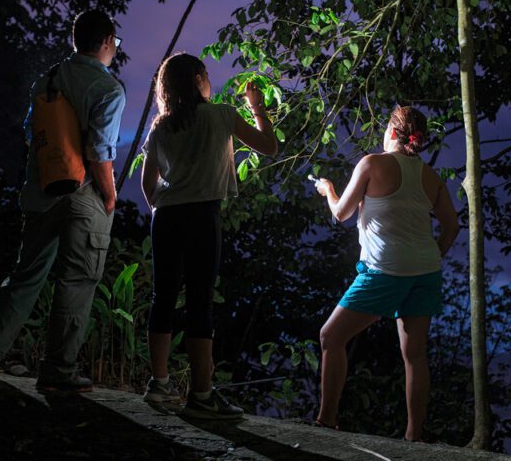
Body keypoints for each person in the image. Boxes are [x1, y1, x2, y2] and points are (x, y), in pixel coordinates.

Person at [0, 10, 126, 393]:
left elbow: (29, 132)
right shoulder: (108, 89)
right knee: (77, 280)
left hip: (42, 191)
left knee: (25, 277)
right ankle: (58, 370)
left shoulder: (47, 78)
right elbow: (100, 152)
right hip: (84, 196)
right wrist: (110, 195)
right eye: (115, 44)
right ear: (105, 42)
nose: (114, 51)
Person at [140, 52, 278, 419]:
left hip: (166, 216)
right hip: (203, 215)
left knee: (163, 296)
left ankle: (159, 382)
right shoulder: (221, 115)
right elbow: (269, 146)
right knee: (200, 301)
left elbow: (146, 181)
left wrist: (161, 208)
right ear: (199, 78)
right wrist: (257, 107)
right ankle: (201, 395)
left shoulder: (161, 126)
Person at [313, 105, 459, 440]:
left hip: (385, 271)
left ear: (391, 133)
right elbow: (451, 227)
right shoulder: (431, 177)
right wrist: (429, 257)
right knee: (415, 355)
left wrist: (328, 190)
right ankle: (413, 435)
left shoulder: (372, 164)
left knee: (330, 337)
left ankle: (326, 420)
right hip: (425, 273)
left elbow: (341, 213)